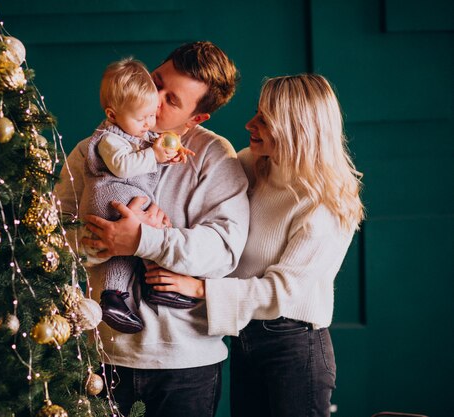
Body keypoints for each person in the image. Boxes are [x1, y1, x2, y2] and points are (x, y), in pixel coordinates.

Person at [145, 74, 365, 417]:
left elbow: (283, 292)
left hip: (293, 347)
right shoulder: (251, 165)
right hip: (243, 337)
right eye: (257, 113)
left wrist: (200, 289)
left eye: (265, 120)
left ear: (297, 129)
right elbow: (208, 219)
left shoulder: (324, 207)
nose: (250, 124)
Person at [54, 41, 249, 417]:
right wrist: (105, 244)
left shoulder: (215, 157)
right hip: (103, 357)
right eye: (155, 80)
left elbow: (224, 251)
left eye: (172, 100)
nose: (153, 98)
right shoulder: (93, 150)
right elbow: (54, 234)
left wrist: (144, 239)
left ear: (195, 119)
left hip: (185, 365)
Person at [79, 57, 194, 334]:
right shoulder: (109, 138)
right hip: (110, 197)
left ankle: (148, 289)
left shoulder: (137, 134)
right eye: (141, 118)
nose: (148, 124)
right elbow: (124, 165)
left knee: (149, 235)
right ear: (112, 114)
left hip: (127, 197)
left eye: (152, 115)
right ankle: (115, 296)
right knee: (146, 232)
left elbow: (146, 155)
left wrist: (167, 156)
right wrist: (155, 154)